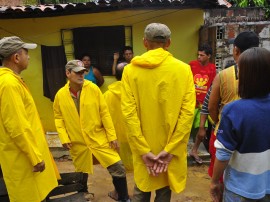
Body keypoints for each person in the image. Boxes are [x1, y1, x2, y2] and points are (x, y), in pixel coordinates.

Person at [121, 23, 195, 202]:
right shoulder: (184, 70)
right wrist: (171, 150)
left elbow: (128, 114)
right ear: (168, 43)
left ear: (145, 43)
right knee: (163, 191)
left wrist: (143, 151)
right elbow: (187, 115)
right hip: (168, 150)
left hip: (144, 148)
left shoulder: (130, 71)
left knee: (141, 188)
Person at [53, 60, 130, 202]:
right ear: (68, 73)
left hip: (98, 138)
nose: (81, 75)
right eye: (77, 72)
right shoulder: (60, 95)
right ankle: (83, 194)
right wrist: (64, 137)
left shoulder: (93, 89)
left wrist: (112, 136)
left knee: (117, 166)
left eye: (83, 72)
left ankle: (124, 198)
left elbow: (104, 113)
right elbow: (58, 117)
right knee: (82, 170)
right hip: (78, 141)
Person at [0, 36, 59, 202]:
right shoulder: (9, 84)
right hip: (23, 159)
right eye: (26, 53)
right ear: (16, 57)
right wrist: (34, 157)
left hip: (23, 155)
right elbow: (17, 125)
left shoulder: (11, 81)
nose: (29, 57)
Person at [210, 47, 270, 202]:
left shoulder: (234, 110)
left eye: (239, 70)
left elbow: (223, 155)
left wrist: (214, 181)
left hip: (241, 188)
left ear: (245, 76)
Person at [208, 31, 259, 180]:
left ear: (235, 50)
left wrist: (218, 122)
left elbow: (212, 106)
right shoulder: (264, 73)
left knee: (220, 176)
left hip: (223, 133)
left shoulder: (223, 75)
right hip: (254, 133)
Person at [189, 44, 216, 164]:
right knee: (184, 129)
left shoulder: (212, 68)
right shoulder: (192, 65)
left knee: (202, 129)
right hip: (190, 103)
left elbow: (212, 86)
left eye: (202, 55)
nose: (199, 57)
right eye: (198, 55)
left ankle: (194, 150)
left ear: (209, 56)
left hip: (202, 106)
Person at [104, 62, 133, 171]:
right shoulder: (136, 92)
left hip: (115, 138)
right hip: (134, 135)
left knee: (119, 169)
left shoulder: (107, 95)